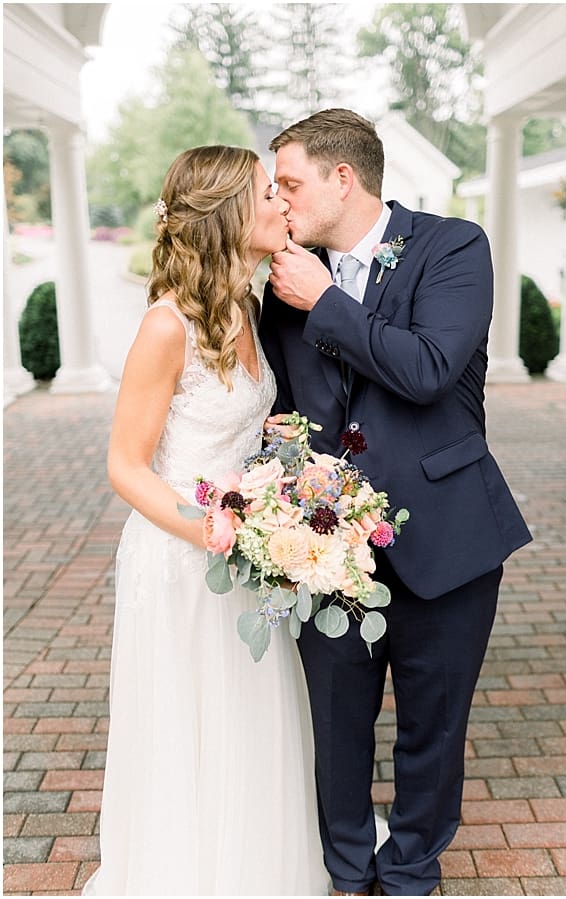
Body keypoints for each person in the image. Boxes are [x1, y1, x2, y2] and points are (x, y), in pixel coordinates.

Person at [259, 108, 532, 896]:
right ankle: (347, 871)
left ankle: (411, 869)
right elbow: (284, 407)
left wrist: (326, 303)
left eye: (291, 183)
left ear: (343, 178)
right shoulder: (284, 281)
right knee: (336, 727)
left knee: (433, 728)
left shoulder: (453, 247)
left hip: (446, 537)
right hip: (325, 548)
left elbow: (428, 368)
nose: (280, 199)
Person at [87, 145, 329, 894]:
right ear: (228, 216)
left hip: (246, 556)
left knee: (249, 717)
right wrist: (209, 529)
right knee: (189, 722)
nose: (283, 204)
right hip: (181, 560)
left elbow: (241, 428)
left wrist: (283, 471)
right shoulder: (168, 327)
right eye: (268, 193)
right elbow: (125, 464)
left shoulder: (247, 309)